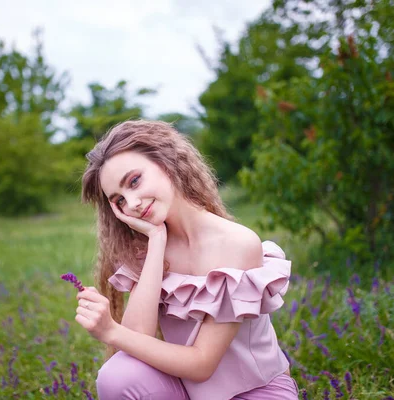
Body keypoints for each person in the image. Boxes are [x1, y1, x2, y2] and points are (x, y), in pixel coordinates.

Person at [75, 120, 299, 400]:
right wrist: (157, 240)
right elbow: (136, 338)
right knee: (117, 376)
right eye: (119, 200)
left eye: (134, 181)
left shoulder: (237, 244)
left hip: (253, 392)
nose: (131, 203)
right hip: (185, 391)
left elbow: (202, 364)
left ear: (167, 163)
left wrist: (110, 330)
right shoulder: (145, 246)